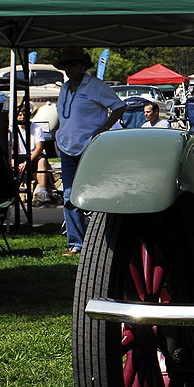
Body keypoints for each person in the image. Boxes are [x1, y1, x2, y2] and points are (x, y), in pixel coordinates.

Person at [54, 46, 126, 256]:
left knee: (96, 193)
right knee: (69, 195)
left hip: (89, 146)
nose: (68, 68)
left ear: (82, 65)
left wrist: (104, 128)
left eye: (72, 64)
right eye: (65, 65)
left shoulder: (95, 86)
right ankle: (76, 244)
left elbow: (119, 106)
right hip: (67, 147)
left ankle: (103, 239)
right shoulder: (64, 88)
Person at [13, 104, 53, 206]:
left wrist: (27, 161)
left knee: (42, 161)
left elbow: (39, 148)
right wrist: (14, 161)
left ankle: (42, 191)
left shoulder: (36, 128)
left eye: (24, 114)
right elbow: (12, 148)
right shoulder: (14, 129)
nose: (22, 117)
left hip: (33, 156)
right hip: (20, 156)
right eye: (20, 115)